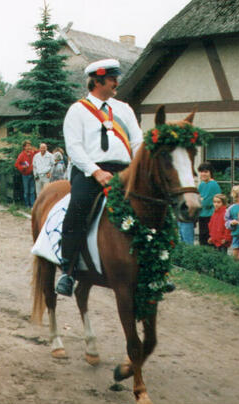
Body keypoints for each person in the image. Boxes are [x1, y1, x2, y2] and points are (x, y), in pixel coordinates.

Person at [56, 59, 143, 296]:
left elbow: (137, 141)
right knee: (79, 205)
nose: (116, 82)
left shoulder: (124, 109)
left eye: (116, 78)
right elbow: (74, 148)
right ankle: (68, 269)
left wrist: (138, 167)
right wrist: (96, 171)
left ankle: (153, 269)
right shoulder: (77, 110)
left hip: (124, 169)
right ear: (97, 81)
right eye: (112, 78)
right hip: (89, 171)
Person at [197, 162, 221, 245]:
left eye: (206, 171)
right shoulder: (202, 184)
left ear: (210, 172)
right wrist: (201, 200)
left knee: (209, 241)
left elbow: (205, 203)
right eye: (201, 172)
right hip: (202, 215)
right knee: (202, 241)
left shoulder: (213, 185)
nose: (203, 174)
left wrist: (201, 200)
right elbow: (198, 199)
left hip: (211, 216)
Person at [14, 140, 37, 208]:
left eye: (29, 146)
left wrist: (35, 149)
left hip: (32, 174)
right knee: (26, 191)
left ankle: (32, 205)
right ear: (24, 147)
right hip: (25, 175)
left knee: (32, 191)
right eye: (27, 146)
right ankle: (27, 205)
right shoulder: (21, 155)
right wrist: (23, 167)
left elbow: (40, 152)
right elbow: (16, 164)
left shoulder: (32, 153)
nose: (28, 147)